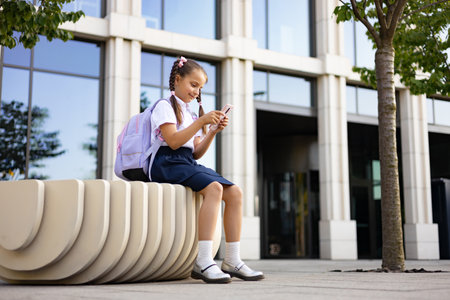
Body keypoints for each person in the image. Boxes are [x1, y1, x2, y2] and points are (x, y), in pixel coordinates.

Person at [150, 56, 264, 284]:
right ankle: (203, 261)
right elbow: (172, 141)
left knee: (235, 192)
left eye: (200, 88)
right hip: (165, 162)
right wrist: (201, 122)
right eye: (193, 85)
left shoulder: (192, 114)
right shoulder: (164, 106)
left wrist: (211, 130)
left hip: (184, 161)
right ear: (177, 79)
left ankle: (232, 260)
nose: (196, 92)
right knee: (213, 188)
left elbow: (196, 152)